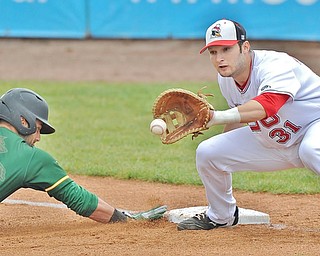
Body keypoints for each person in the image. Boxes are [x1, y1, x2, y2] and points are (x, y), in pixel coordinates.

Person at [177, 19, 320, 230]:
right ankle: (221, 215)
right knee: (208, 152)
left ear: (245, 47)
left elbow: (268, 105)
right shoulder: (226, 79)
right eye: (213, 52)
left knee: (311, 149)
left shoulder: (275, 65)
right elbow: (239, 116)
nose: (220, 59)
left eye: (226, 49)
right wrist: (221, 140)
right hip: (277, 139)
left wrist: (215, 117)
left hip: (314, 126)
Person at [0, 88, 127, 224]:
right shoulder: (31, 158)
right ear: (23, 121)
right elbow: (81, 201)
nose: (38, 138)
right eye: (38, 129)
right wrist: (126, 220)